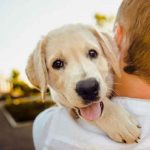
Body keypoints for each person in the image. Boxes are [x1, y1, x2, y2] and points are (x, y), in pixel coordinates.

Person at [33, 0, 150, 149]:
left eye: (92, 53)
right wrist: (106, 111)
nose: (86, 82)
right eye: (58, 64)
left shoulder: (49, 128)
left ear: (115, 40)